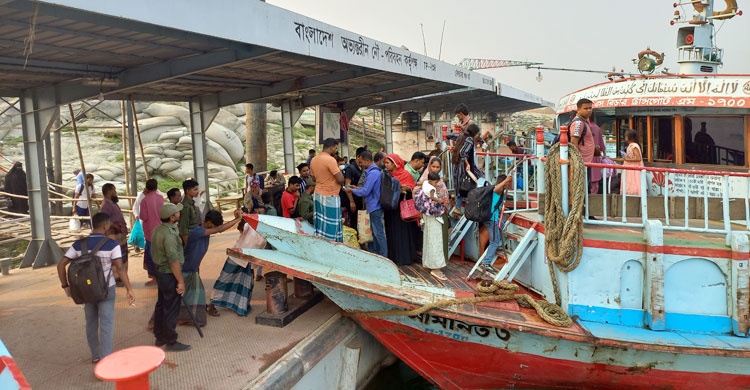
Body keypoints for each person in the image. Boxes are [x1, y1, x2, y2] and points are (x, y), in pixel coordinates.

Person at [57, 212, 135, 363]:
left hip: (85, 290)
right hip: (106, 289)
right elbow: (120, 269)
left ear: (93, 225)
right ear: (106, 226)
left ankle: (95, 356)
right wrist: (129, 289)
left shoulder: (79, 244)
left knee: (91, 322)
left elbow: (61, 265)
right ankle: (106, 359)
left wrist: (65, 285)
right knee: (106, 323)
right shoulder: (112, 244)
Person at [179, 209, 243, 326]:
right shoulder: (197, 231)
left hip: (193, 269)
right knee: (188, 295)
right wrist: (238, 219)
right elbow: (219, 229)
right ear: (208, 222)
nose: (214, 228)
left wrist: (235, 218)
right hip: (186, 269)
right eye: (213, 226)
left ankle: (186, 317)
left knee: (191, 294)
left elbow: (219, 228)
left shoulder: (205, 230)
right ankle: (185, 318)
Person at [151, 203, 191, 351]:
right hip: (169, 273)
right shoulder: (169, 235)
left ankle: (160, 336)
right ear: (172, 217)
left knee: (162, 304)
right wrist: (180, 281)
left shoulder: (158, 230)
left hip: (161, 272)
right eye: (177, 213)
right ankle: (171, 341)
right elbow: (173, 260)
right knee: (170, 308)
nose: (179, 214)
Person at [211, 216, 267, 316]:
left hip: (246, 261)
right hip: (236, 257)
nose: (240, 233)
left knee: (244, 284)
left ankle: (241, 307)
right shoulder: (249, 226)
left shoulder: (261, 232)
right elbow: (244, 226)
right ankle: (213, 303)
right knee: (226, 280)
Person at [347, 150, 387, 257]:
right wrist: (356, 188)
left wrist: (352, 191)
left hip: (375, 206)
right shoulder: (373, 171)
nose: (360, 165)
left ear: (367, 160)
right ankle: (377, 253)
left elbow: (365, 191)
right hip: (373, 205)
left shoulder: (373, 173)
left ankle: (383, 255)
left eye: (361, 162)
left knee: (378, 233)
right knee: (375, 232)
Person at [383, 154, 420, 266]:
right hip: (390, 208)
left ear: (395, 163)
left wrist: (404, 188)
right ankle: (393, 256)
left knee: (402, 232)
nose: (386, 165)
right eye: (385, 162)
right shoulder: (386, 175)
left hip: (401, 208)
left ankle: (403, 257)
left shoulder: (405, 174)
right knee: (391, 231)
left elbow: (411, 188)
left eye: (388, 162)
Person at [415, 157, 450, 261]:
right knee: (433, 240)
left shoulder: (439, 180)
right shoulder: (425, 180)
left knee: (438, 240)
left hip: (440, 212)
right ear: (429, 166)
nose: (435, 169)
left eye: (438, 167)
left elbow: (444, 195)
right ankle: (434, 265)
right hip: (431, 213)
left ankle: (436, 263)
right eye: (433, 166)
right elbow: (418, 193)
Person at [310, 138, 345, 242]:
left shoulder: (314, 160)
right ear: (331, 147)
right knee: (331, 223)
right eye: (335, 147)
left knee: (321, 224)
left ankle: (320, 243)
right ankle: (331, 244)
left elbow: (313, 178)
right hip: (330, 195)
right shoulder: (330, 160)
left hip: (318, 194)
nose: (336, 150)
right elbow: (340, 179)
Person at [420, 171, 450, 280]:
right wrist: (441, 200)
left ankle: (428, 262)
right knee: (436, 240)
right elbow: (434, 198)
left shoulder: (424, 184)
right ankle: (436, 268)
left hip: (426, 214)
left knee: (429, 238)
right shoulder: (431, 188)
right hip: (434, 215)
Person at [480, 174, 512, 273]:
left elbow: (494, 203)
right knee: (494, 241)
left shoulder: (498, 192)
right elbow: (496, 189)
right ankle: (486, 262)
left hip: (493, 218)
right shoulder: (496, 190)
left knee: (502, 225)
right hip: (492, 219)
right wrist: (506, 180)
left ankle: (496, 247)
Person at [100, 183, 129, 287]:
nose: (115, 192)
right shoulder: (106, 205)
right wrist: (114, 226)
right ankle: (117, 278)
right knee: (116, 257)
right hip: (113, 234)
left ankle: (121, 277)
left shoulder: (111, 203)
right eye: (114, 190)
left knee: (122, 256)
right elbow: (104, 219)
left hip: (119, 234)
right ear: (110, 191)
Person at [139, 179, 164, 286]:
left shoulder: (144, 200)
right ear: (156, 187)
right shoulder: (161, 198)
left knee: (151, 256)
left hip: (149, 232)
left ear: (146, 188)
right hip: (160, 229)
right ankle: (162, 276)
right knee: (160, 254)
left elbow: (143, 216)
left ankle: (155, 278)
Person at [452, 123, 482, 202]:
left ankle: (459, 206)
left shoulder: (462, 136)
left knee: (460, 185)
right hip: (463, 166)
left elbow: (450, 136)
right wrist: (467, 163)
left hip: (458, 165)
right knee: (474, 179)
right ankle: (463, 205)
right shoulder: (470, 139)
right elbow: (463, 152)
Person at [569, 99, 596, 184]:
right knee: (581, 189)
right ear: (578, 109)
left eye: (590, 108)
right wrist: (577, 161)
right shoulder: (578, 123)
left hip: (586, 163)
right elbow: (573, 143)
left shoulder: (585, 122)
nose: (589, 110)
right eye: (586, 108)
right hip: (581, 164)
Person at [615, 129, 644, 195]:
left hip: (633, 169)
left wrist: (627, 159)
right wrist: (612, 159)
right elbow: (625, 158)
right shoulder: (631, 146)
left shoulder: (634, 146)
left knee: (633, 183)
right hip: (629, 168)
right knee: (629, 182)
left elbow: (638, 158)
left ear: (628, 137)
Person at [179, 179, 201, 245]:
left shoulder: (191, 204)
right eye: (195, 189)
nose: (197, 191)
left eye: (197, 189)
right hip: (190, 239)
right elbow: (184, 227)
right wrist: (187, 245)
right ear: (188, 191)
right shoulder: (186, 206)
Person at [589, 119, 607, 194]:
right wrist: (604, 153)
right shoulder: (596, 128)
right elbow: (601, 143)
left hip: (584, 157)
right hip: (594, 157)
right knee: (594, 182)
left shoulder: (581, 125)